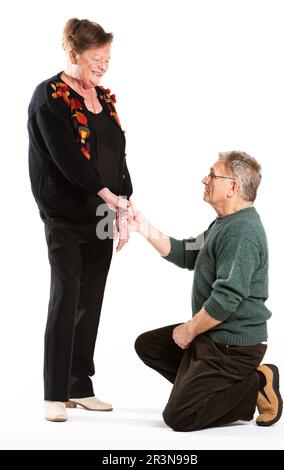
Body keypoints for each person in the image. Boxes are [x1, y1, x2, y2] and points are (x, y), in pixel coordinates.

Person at [28, 18, 133, 422]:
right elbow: (68, 159)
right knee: (66, 295)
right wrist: (108, 197)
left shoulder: (104, 100)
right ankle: (54, 393)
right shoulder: (49, 98)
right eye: (95, 59)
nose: (103, 66)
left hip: (102, 216)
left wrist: (124, 203)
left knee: (90, 300)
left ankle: (79, 386)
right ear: (72, 54)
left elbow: (117, 155)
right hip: (64, 216)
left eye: (106, 58)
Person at [132, 151, 283, 431]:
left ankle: (256, 383)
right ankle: (203, 389)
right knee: (149, 346)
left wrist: (189, 330)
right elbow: (188, 254)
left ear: (233, 187)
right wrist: (142, 226)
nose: (205, 179)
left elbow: (226, 299)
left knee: (179, 418)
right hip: (213, 337)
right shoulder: (224, 224)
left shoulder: (242, 233)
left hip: (233, 348)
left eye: (212, 174)